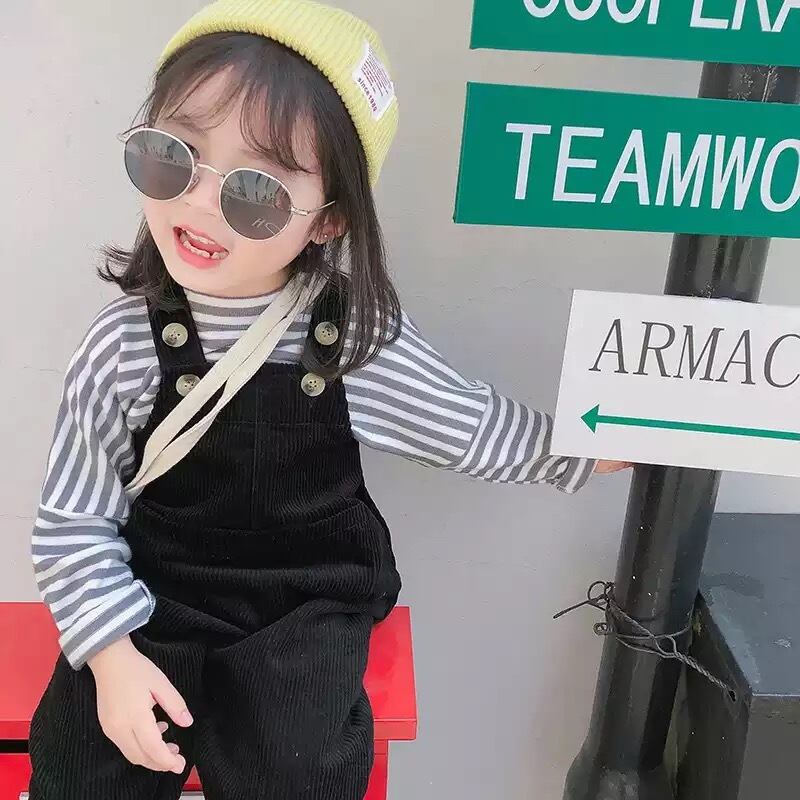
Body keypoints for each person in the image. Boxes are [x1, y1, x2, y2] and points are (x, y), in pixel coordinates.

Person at [27, 1, 630, 798]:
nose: (200, 203)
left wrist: (584, 449)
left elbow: (464, 422)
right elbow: (72, 519)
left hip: (303, 604)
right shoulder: (122, 342)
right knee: (86, 759)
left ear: (329, 220)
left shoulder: (349, 338)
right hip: (154, 590)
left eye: (255, 190)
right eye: (174, 157)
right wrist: (110, 658)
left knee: (298, 762)